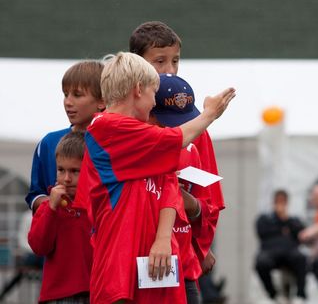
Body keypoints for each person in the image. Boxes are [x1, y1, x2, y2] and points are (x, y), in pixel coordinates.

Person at [74, 52, 236, 304]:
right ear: (138, 89)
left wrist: (162, 240)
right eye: (153, 93)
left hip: (155, 265)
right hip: (120, 262)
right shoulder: (106, 128)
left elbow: (168, 186)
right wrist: (209, 114)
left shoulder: (147, 140)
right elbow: (177, 139)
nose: (153, 103)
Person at [130, 21, 226, 286]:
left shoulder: (195, 128)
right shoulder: (124, 124)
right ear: (136, 65)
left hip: (180, 261)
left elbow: (208, 201)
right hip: (130, 254)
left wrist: (200, 244)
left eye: (175, 61)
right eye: (159, 61)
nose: (169, 71)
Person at [149, 73, 213, 304]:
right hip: (149, 261)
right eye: (172, 122)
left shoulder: (191, 150)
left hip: (184, 263)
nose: (181, 129)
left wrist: (201, 246)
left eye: (185, 121)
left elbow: (203, 206)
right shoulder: (142, 149)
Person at [26, 60, 105, 212]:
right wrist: (54, 203)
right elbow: (35, 195)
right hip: (61, 233)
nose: (68, 102)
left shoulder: (113, 142)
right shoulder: (49, 142)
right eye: (65, 94)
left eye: (77, 95)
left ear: (102, 101)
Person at [28, 131, 92, 303]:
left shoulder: (98, 204)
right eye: (61, 170)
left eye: (74, 171)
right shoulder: (48, 206)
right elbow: (39, 246)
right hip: (57, 296)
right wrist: (51, 209)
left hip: (96, 292)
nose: (66, 178)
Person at [254, 189, 307, 304]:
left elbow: (301, 234)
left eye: (283, 202)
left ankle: (300, 294)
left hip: (290, 252)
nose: (280, 204)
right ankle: (273, 294)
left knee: (302, 258)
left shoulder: (293, 220)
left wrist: (285, 219)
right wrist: (281, 227)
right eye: (278, 201)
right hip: (270, 252)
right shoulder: (265, 219)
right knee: (261, 263)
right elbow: (261, 232)